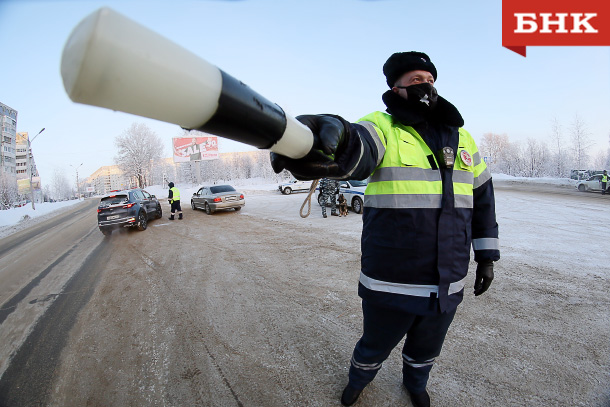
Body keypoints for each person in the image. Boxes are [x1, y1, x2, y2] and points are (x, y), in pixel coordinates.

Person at [270, 51, 500, 407]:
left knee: (427, 347)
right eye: (415, 81)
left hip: (448, 278)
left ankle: (416, 383)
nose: (426, 87)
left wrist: (486, 256)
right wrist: (328, 139)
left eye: (430, 80)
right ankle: (358, 380)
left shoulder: (463, 139)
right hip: (393, 277)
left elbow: (483, 199)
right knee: (374, 344)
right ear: (397, 88)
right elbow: (357, 148)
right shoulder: (383, 126)